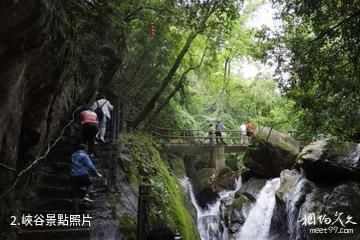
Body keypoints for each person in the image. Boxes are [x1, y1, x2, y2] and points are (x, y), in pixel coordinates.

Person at [70, 144, 102, 209]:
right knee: (90, 185)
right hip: (82, 174)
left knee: (75, 194)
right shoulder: (84, 155)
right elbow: (90, 165)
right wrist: (97, 173)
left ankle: (75, 213)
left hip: (73, 175)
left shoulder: (73, 155)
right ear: (84, 149)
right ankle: (86, 196)